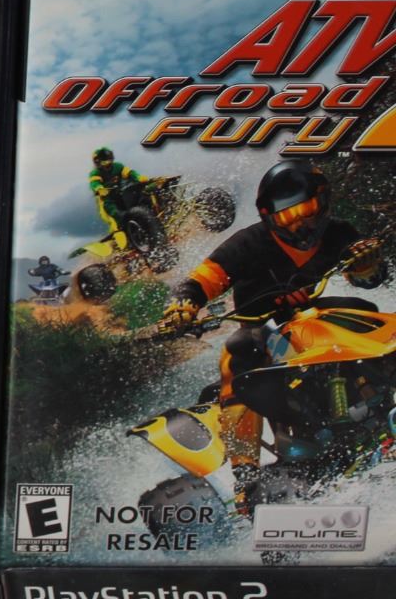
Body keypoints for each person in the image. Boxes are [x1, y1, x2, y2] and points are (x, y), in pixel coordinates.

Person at [158, 162, 386, 493]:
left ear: (322, 201)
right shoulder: (246, 244)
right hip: (262, 329)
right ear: (270, 218)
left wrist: (368, 265)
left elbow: (369, 278)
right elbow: (201, 280)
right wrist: (183, 305)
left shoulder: (340, 233)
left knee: (364, 312)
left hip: (310, 319)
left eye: (305, 211)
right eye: (287, 217)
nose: (299, 224)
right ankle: (245, 476)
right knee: (238, 353)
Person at [90, 146, 160, 247]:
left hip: (120, 195)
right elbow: (94, 183)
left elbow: (130, 173)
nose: (108, 164)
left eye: (109, 160)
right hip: (106, 200)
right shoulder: (95, 173)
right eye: (104, 162)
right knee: (117, 215)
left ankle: (150, 224)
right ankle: (127, 242)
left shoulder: (118, 166)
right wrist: (99, 188)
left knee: (137, 204)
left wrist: (139, 177)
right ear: (98, 162)